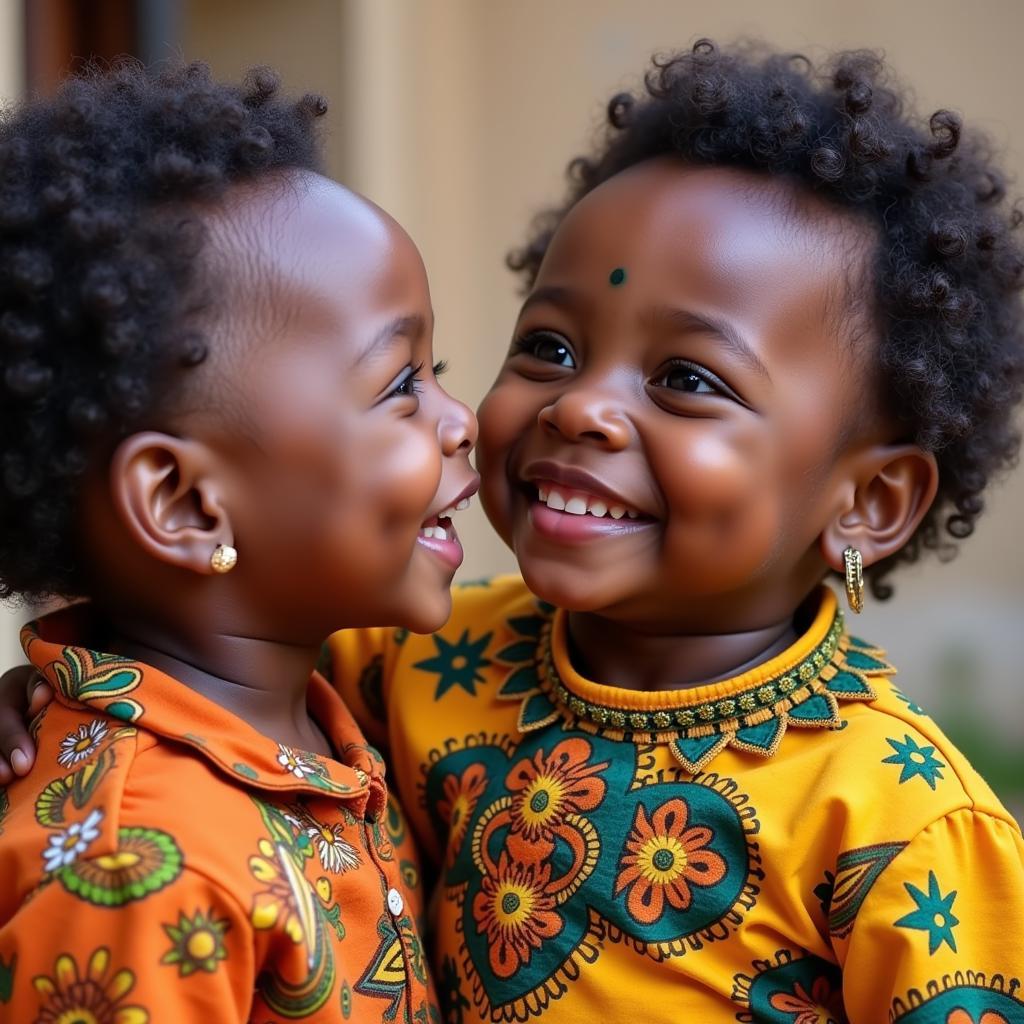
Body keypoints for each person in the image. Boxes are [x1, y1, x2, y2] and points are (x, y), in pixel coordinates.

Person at [4, 40, 1024, 1023]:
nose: (581, 407)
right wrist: (42, 700)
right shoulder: (412, 669)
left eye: (687, 379)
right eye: (548, 345)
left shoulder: (905, 825)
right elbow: (182, 645)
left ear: (870, 502)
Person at [0, 61, 477, 1022]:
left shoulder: (328, 702)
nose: (460, 420)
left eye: (441, 372)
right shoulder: (139, 861)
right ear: (184, 503)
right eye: (398, 387)